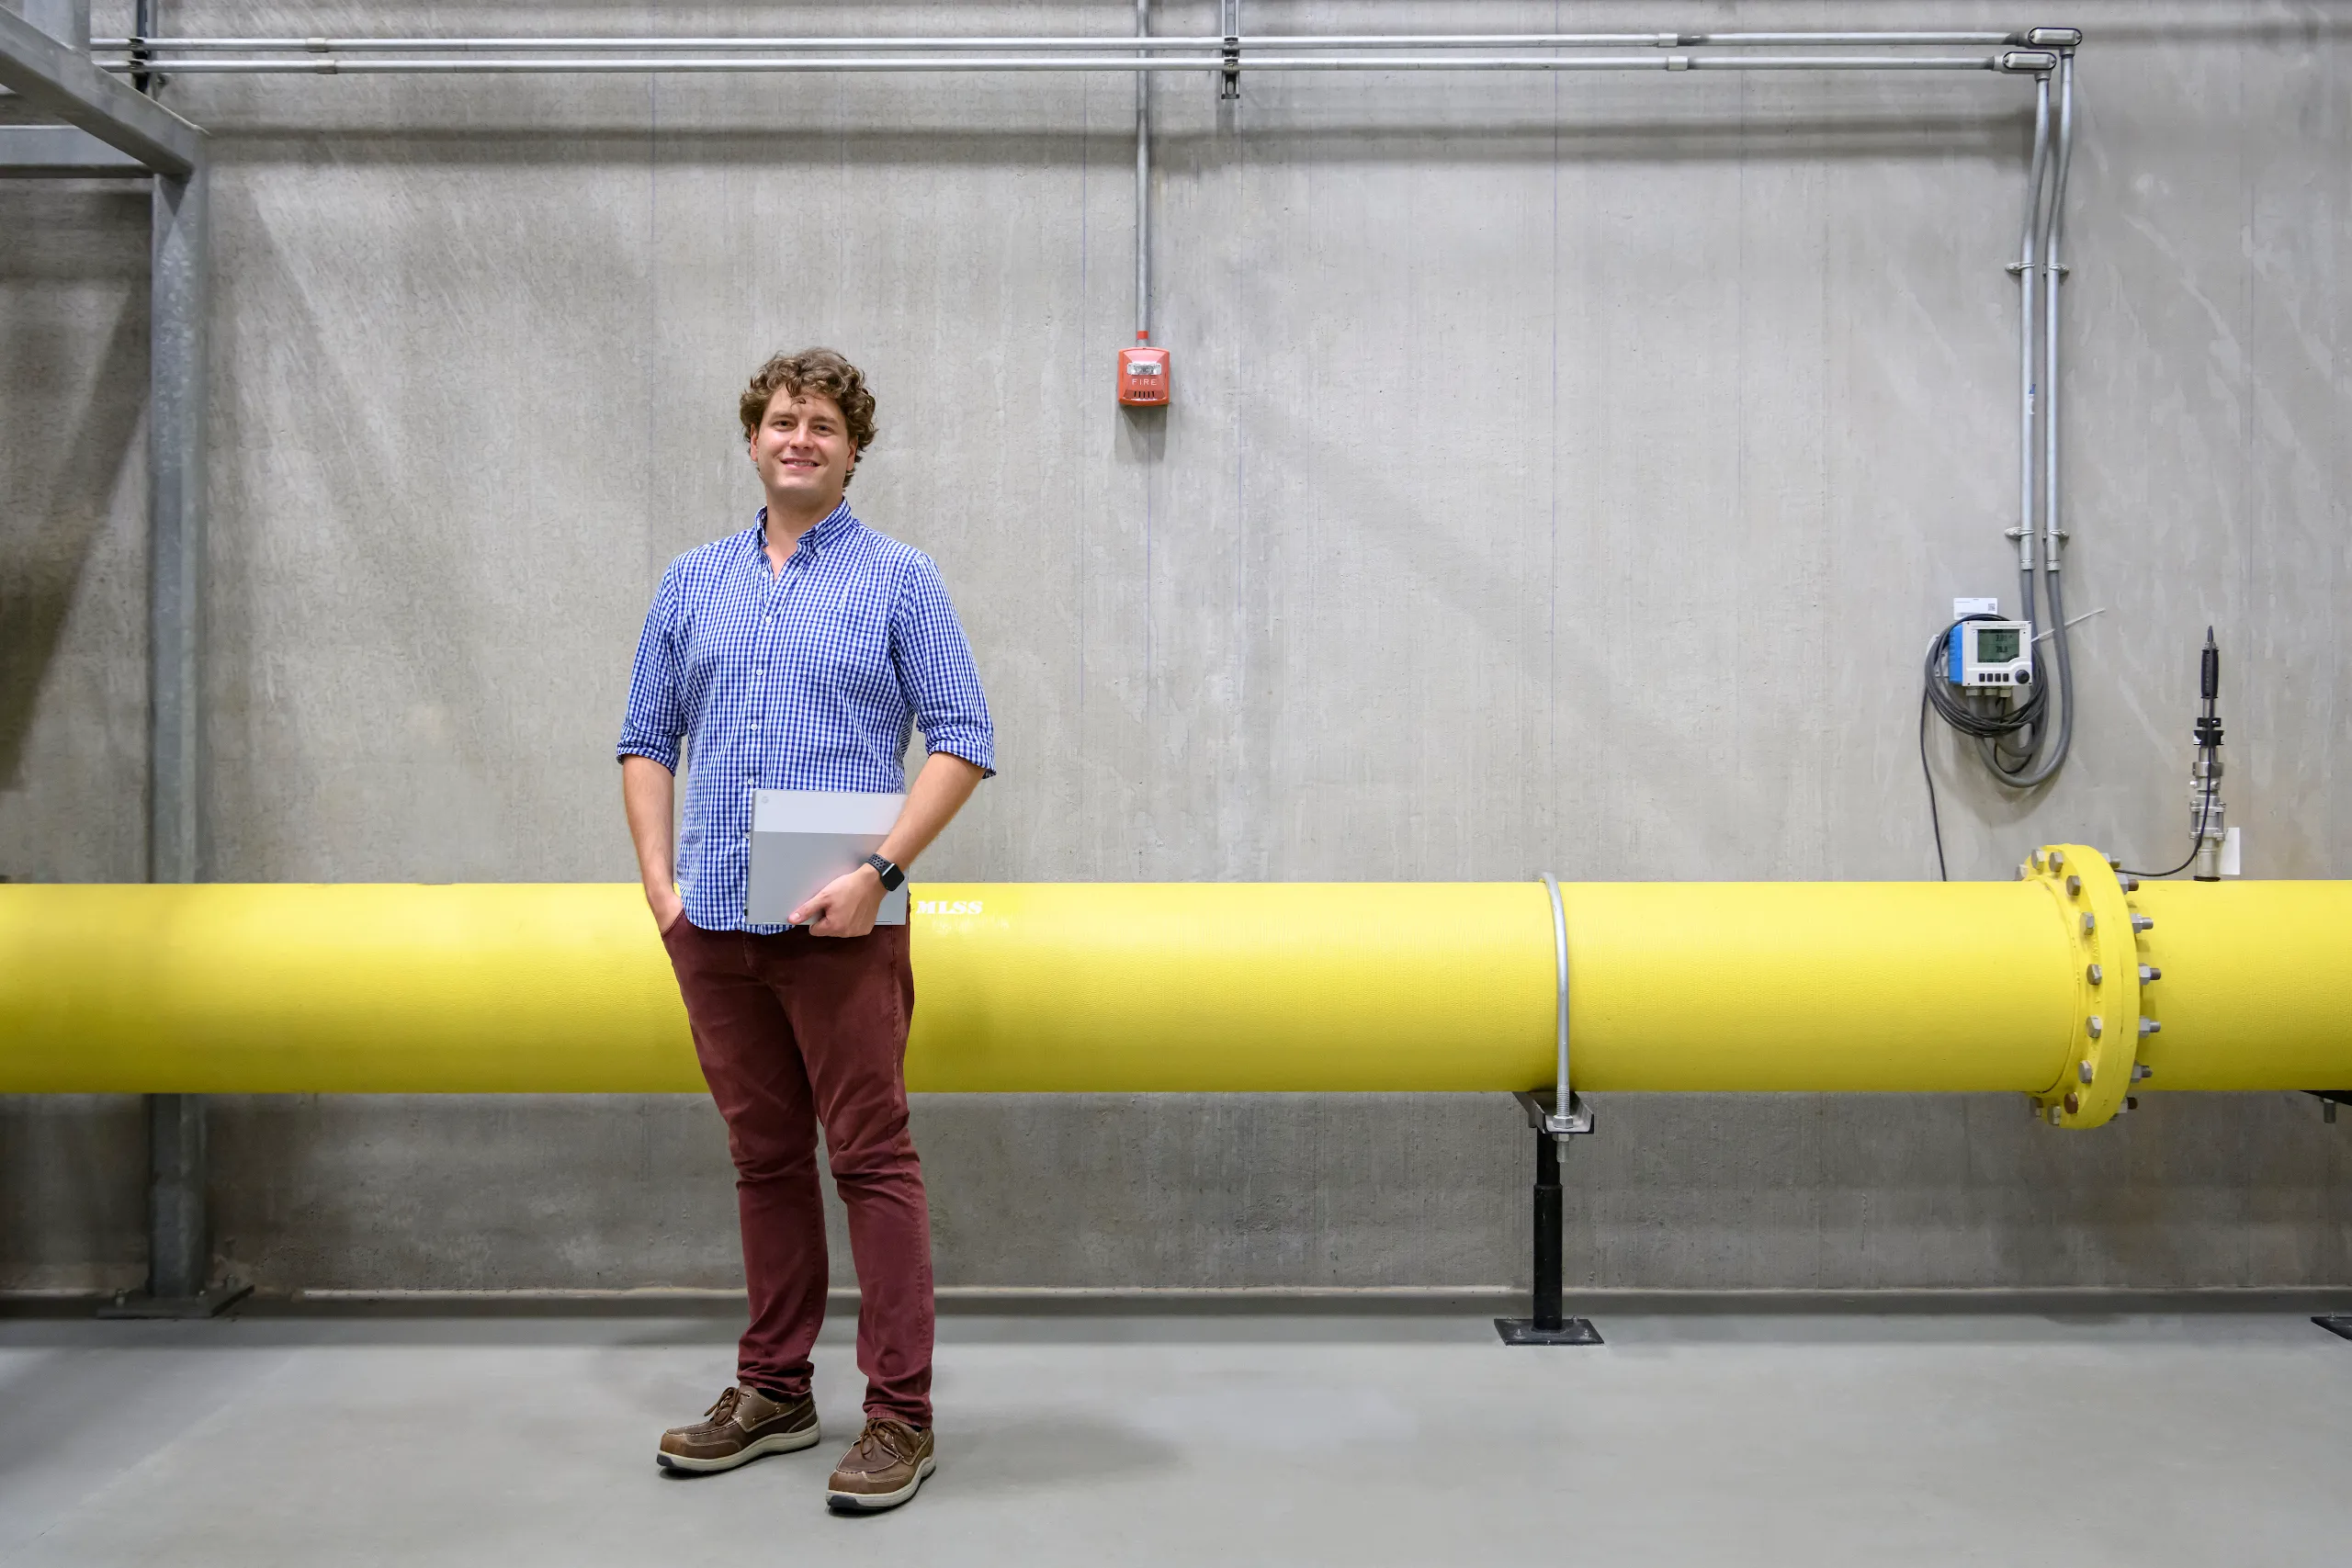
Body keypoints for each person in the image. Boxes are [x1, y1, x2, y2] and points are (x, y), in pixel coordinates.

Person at [616, 348, 993, 1513]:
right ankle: (775, 1389)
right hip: (713, 919)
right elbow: (644, 734)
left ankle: (901, 1418)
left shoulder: (898, 578)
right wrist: (659, 885)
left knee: (870, 1162)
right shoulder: (692, 581)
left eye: (823, 424)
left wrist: (879, 871)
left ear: (851, 449)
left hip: (838, 916)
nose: (800, 437)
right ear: (751, 440)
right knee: (763, 1160)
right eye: (783, 420)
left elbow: (964, 734)